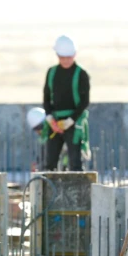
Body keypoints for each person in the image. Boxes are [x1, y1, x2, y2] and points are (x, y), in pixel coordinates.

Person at [42, 35, 91, 171]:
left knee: (75, 162)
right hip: (55, 122)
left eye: (68, 57)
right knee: (49, 162)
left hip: (74, 122)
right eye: (62, 57)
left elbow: (84, 101)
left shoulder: (81, 74)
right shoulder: (51, 72)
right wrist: (51, 119)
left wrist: (70, 121)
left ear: (74, 54)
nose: (65, 61)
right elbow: (46, 98)